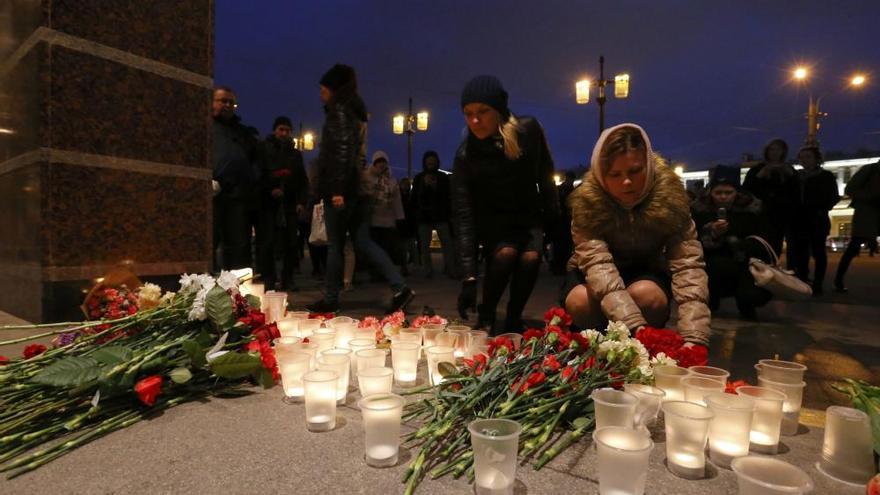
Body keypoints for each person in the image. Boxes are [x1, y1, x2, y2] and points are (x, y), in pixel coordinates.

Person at [563, 123, 710, 348]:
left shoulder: (670, 199)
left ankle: (641, 354)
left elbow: (688, 265)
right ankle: (595, 351)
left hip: (645, 271)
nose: (626, 182)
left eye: (634, 171)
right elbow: (597, 264)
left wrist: (694, 338)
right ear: (602, 175)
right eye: (615, 174)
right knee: (580, 301)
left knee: (647, 296)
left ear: (648, 166)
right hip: (595, 276)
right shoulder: (587, 204)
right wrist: (633, 325)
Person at [453, 75, 559, 333]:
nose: (475, 120)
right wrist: (468, 277)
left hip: (528, 216)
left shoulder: (528, 131)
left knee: (531, 258)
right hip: (494, 222)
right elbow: (463, 214)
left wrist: (555, 227)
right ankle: (487, 315)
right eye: (468, 114)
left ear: (499, 110)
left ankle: (514, 317)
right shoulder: (466, 154)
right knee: (506, 255)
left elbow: (546, 178)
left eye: (483, 111)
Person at [306, 64, 414, 313]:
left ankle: (331, 299)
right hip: (359, 188)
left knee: (335, 246)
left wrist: (337, 190)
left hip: (344, 189)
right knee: (363, 242)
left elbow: (342, 153)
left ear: (334, 88)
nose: (321, 93)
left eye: (323, 88)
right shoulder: (356, 111)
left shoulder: (340, 112)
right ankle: (401, 288)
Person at [691, 165, 772, 320]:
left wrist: (737, 243)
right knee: (716, 269)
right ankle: (711, 300)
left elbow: (763, 238)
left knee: (751, 291)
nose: (723, 197)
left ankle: (746, 303)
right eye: (718, 192)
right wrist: (712, 233)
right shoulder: (700, 210)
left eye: (728, 193)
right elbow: (693, 241)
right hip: (712, 265)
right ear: (711, 192)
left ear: (737, 192)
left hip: (747, 262)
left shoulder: (752, 210)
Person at [211, 86, 260, 270]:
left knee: (238, 246)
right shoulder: (206, 128)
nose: (227, 105)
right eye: (222, 100)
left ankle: (238, 293)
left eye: (231, 102)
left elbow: (254, 160)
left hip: (238, 197)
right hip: (214, 195)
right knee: (211, 243)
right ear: (212, 102)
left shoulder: (242, 132)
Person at [258, 116, 308, 291]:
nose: (284, 133)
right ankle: (269, 279)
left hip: (290, 204)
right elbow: (259, 174)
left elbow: (302, 179)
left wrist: (301, 201)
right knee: (269, 243)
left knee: (291, 243)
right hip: (269, 205)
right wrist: (270, 189)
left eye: (287, 130)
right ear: (275, 130)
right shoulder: (265, 150)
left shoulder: (295, 155)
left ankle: (288, 278)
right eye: (281, 129)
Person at [790, 146, 839, 295]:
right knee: (801, 252)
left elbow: (833, 197)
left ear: (817, 159)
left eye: (808, 157)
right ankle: (803, 279)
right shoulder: (795, 176)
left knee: (818, 252)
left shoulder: (826, 176)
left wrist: (820, 208)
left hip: (818, 219)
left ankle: (818, 283)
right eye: (802, 157)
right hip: (799, 220)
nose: (804, 160)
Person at [742, 138, 800, 262]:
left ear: (783, 152)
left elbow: (796, 191)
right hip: (761, 213)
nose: (774, 152)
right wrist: (760, 176)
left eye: (778, 149)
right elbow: (747, 190)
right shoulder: (758, 169)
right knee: (761, 242)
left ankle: (774, 268)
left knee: (777, 244)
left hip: (782, 214)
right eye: (772, 149)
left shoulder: (789, 170)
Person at [834, 159, 880, 292]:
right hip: (867, 214)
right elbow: (850, 189)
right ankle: (838, 280)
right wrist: (871, 197)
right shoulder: (870, 169)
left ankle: (838, 280)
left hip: (873, 213)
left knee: (852, 248)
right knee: (853, 248)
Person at [411, 151, 457, 278]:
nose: (430, 164)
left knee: (447, 243)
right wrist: (425, 186)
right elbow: (416, 197)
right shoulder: (419, 178)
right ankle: (428, 270)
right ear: (425, 163)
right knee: (424, 246)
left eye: (433, 162)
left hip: (441, 215)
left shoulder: (443, 177)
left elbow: (448, 196)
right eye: (428, 162)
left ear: (437, 162)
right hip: (424, 216)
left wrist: (436, 187)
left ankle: (450, 268)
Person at [364, 151, 405, 271]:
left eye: (383, 162)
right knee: (374, 247)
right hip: (372, 219)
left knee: (386, 247)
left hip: (387, 220)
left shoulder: (391, 180)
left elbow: (397, 201)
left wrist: (400, 218)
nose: (381, 165)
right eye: (379, 162)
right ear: (374, 163)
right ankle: (374, 271)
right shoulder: (368, 177)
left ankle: (384, 271)